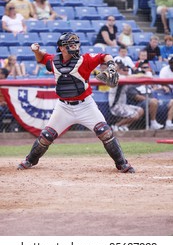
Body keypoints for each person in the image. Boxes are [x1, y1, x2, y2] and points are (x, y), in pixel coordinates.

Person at [17, 32, 135, 173]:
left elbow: (105, 56)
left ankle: (122, 164)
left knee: (105, 133)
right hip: (63, 107)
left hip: (85, 105)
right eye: (69, 45)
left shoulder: (84, 60)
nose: (74, 47)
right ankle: (30, 160)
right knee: (46, 136)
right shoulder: (54, 61)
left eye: (75, 44)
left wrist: (111, 66)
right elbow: (42, 58)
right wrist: (36, 51)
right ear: (61, 48)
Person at [109, 60, 144, 132]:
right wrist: (145, 75)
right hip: (115, 106)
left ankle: (123, 126)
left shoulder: (125, 77)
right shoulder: (117, 76)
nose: (126, 71)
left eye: (128, 70)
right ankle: (116, 126)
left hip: (123, 105)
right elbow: (132, 77)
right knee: (135, 115)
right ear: (119, 70)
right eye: (124, 70)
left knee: (140, 110)